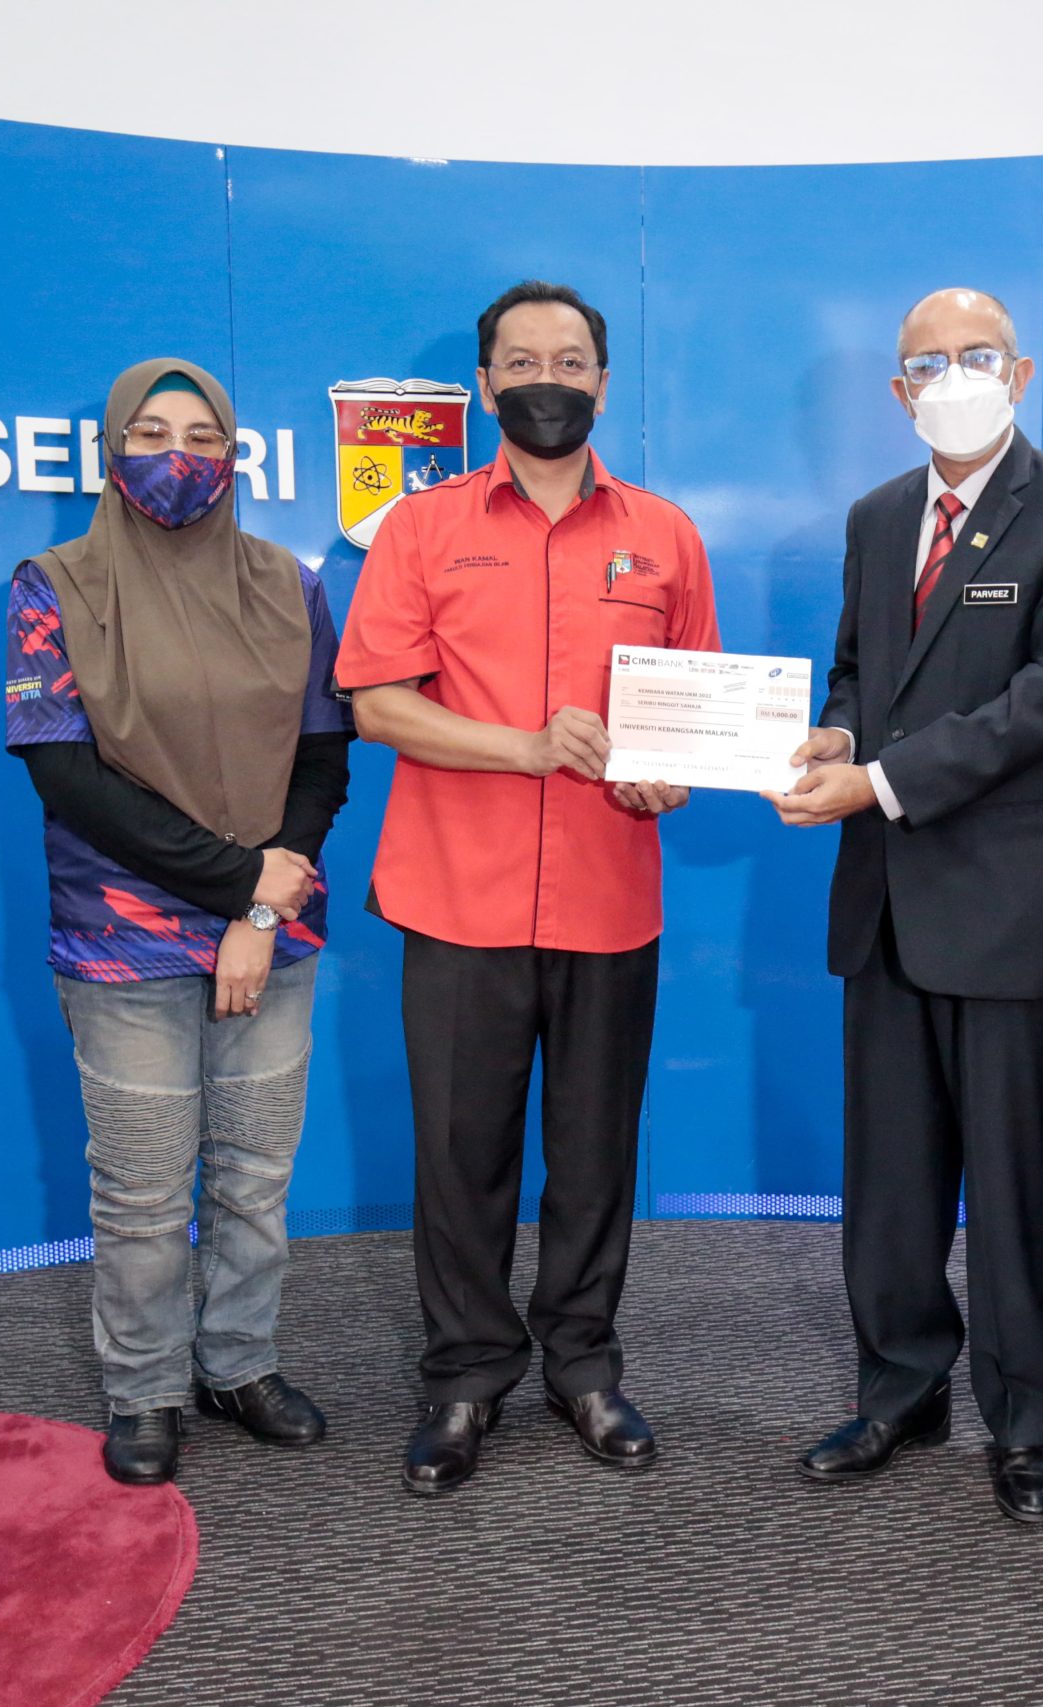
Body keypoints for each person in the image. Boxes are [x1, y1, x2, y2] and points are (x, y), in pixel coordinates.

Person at [336, 281, 720, 1495]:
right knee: (462, 1157)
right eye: (520, 361)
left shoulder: (666, 534)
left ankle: (583, 1364)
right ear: (486, 384)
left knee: (595, 1153)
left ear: (602, 382)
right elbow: (377, 704)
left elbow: (696, 714)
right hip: (456, 895)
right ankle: (462, 1377)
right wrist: (528, 747)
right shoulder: (419, 529)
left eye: (568, 360)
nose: (545, 379)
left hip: (609, 894)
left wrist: (668, 776)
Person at [771, 287, 1043, 1525]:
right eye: (927, 363)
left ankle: (1023, 1422)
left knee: (1015, 1182)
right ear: (898, 391)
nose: (953, 376)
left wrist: (875, 781)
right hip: (884, 903)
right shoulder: (879, 518)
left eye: (977, 355)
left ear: (1019, 373)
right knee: (892, 1180)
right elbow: (861, 671)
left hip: (1010, 905)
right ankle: (900, 1390)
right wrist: (836, 733)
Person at [4, 358, 351, 1485]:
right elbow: (69, 776)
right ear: (111, 450)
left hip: (273, 927)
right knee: (145, 1190)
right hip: (125, 938)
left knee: (254, 1175)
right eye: (151, 433)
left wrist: (263, 904)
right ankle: (145, 1387)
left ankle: (239, 1363)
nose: (178, 457)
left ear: (235, 456)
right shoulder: (54, 584)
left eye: (203, 437)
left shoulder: (291, 586)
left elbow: (323, 757)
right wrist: (242, 888)